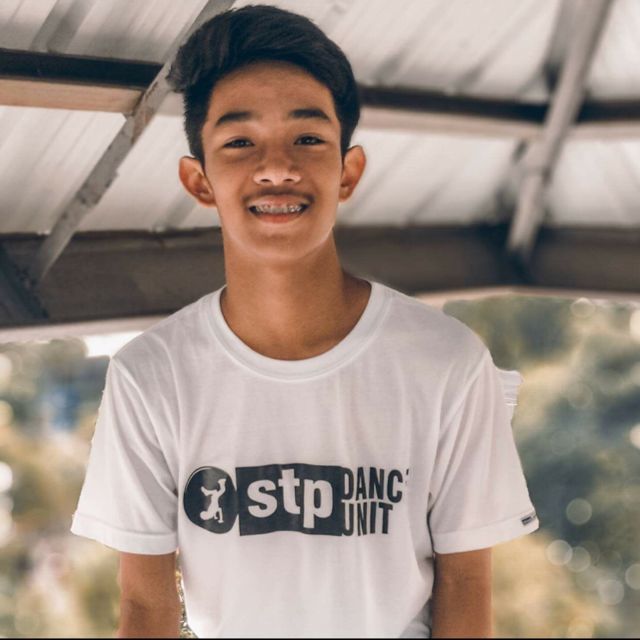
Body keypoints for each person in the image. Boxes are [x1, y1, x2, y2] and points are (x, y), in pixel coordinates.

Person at [70, 4, 539, 638]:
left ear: (348, 171)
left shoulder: (447, 362)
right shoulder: (149, 376)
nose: (277, 168)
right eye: (240, 142)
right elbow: (146, 608)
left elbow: (466, 587)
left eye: (308, 139)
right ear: (199, 181)